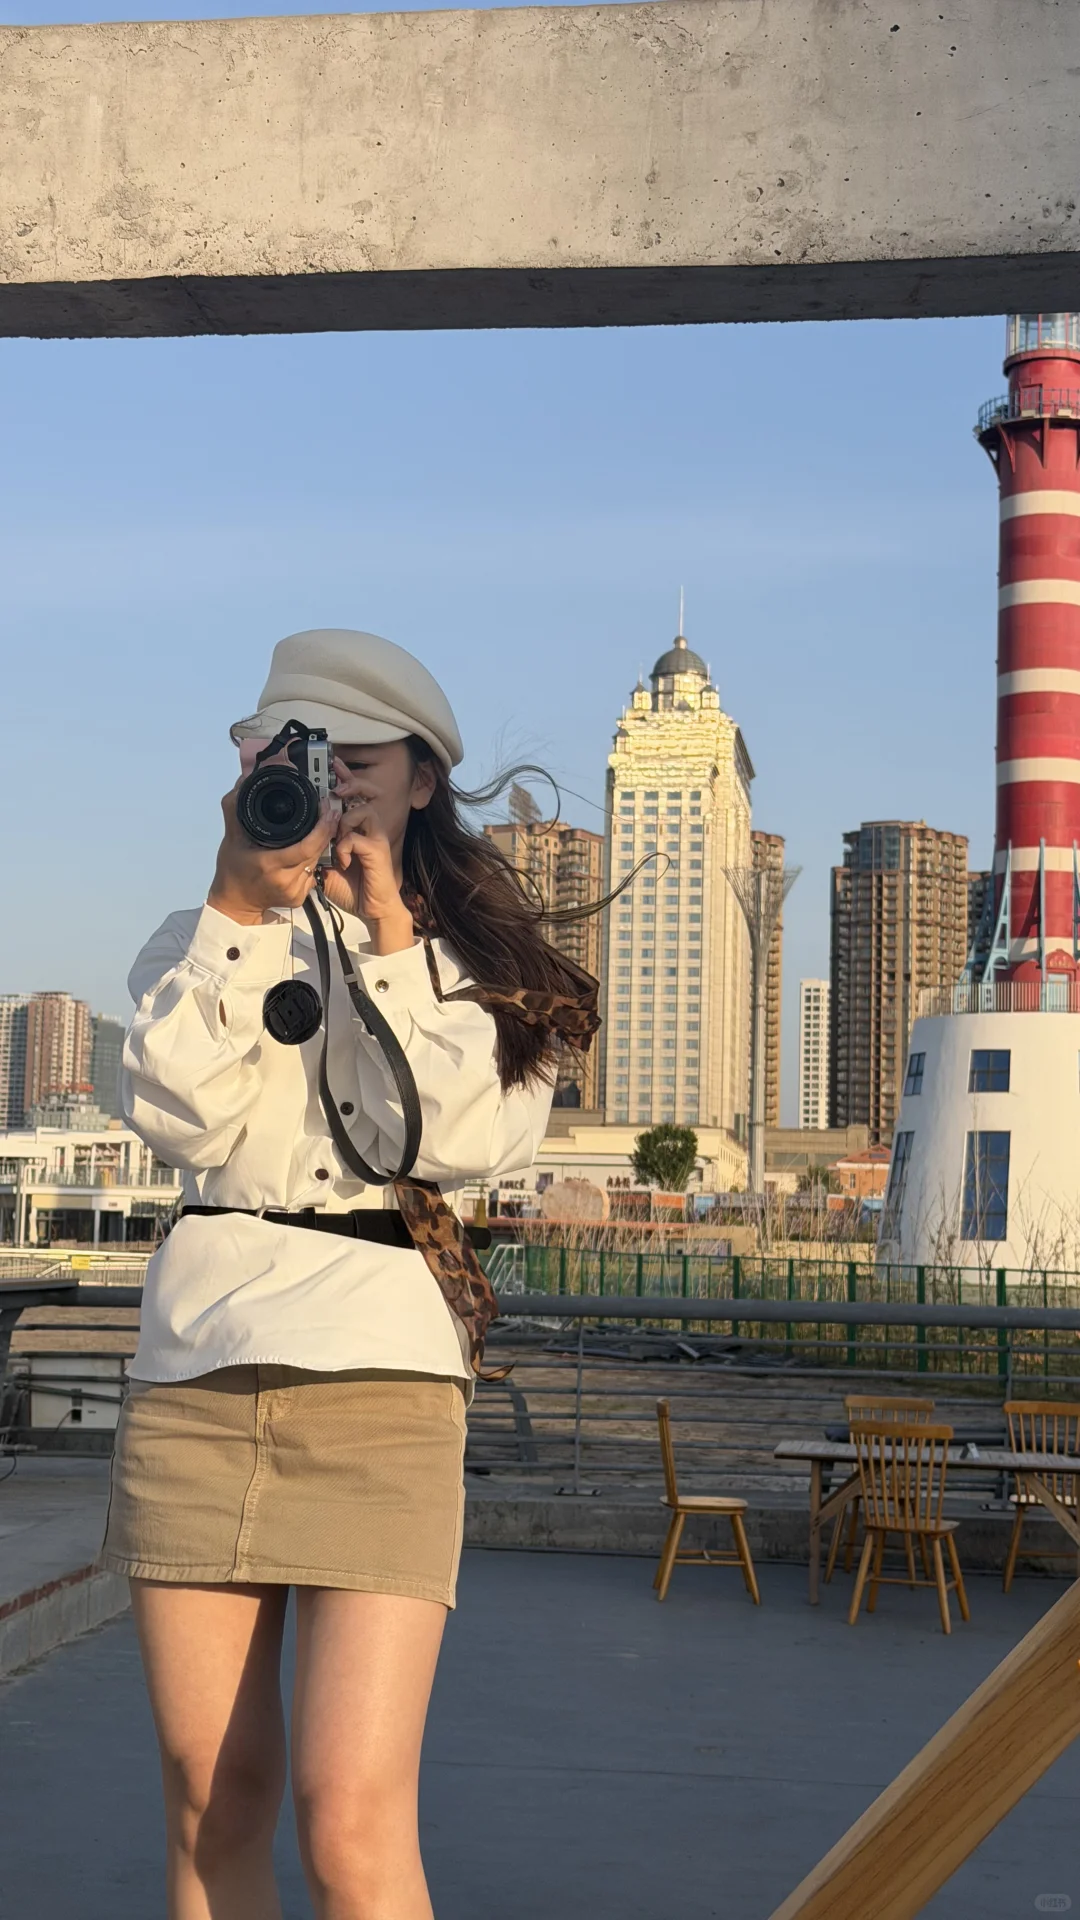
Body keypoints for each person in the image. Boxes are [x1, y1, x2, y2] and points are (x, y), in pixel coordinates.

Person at [100, 628, 598, 1920]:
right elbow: (176, 1116)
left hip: (382, 1385)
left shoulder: (487, 977)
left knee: (350, 1817)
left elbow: (458, 1143)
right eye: (292, 755)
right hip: (199, 1381)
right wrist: (240, 907)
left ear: (423, 779)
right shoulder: (198, 939)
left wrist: (382, 938)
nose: (324, 782)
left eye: (351, 759)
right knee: (214, 1797)